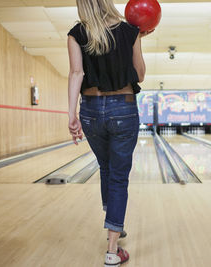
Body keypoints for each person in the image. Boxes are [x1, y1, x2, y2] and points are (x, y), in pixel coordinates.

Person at [67, 0, 152, 266]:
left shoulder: (76, 33)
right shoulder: (129, 31)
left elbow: (76, 73)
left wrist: (70, 114)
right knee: (118, 177)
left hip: (90, 110)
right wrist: (135, 41)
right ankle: (113, 250)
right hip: (122, 109)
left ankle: (113, 220)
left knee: (106, 168)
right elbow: (139, 75)